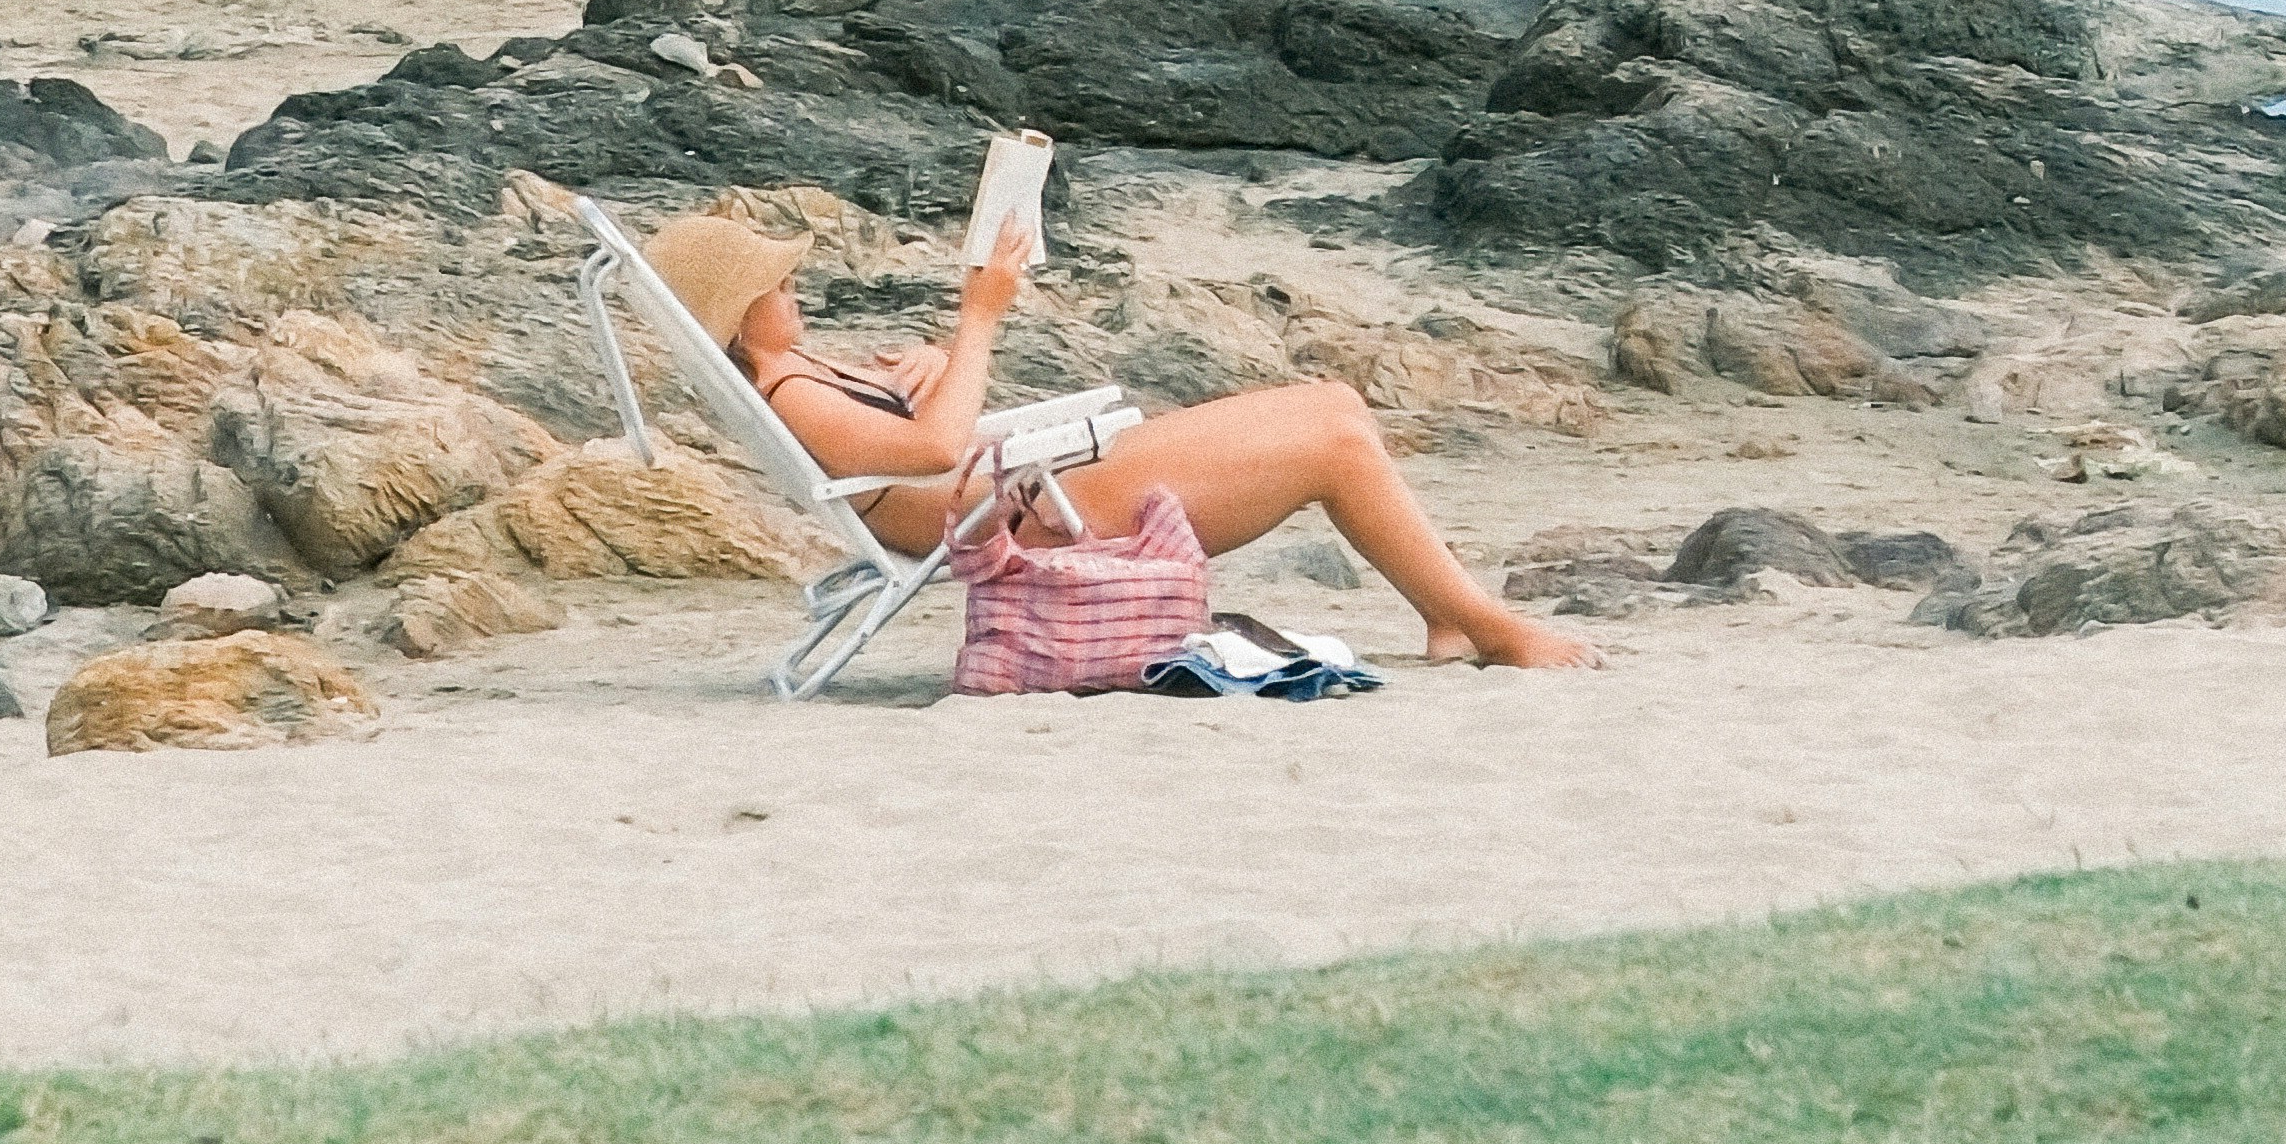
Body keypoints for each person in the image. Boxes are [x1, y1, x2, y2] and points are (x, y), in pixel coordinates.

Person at [644, 206, 1591, 672]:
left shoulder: (806, 377)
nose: (792, 289)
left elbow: (922, 434)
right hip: (1039, 513)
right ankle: (1494, 630)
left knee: (1335, 400)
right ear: (743, 310)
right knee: (1333, 441)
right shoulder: (794, 389)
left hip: (1024, 488)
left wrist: (933, 358)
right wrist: (978, 319)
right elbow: (934, 453)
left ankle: (1447, 611)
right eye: (776, 282)